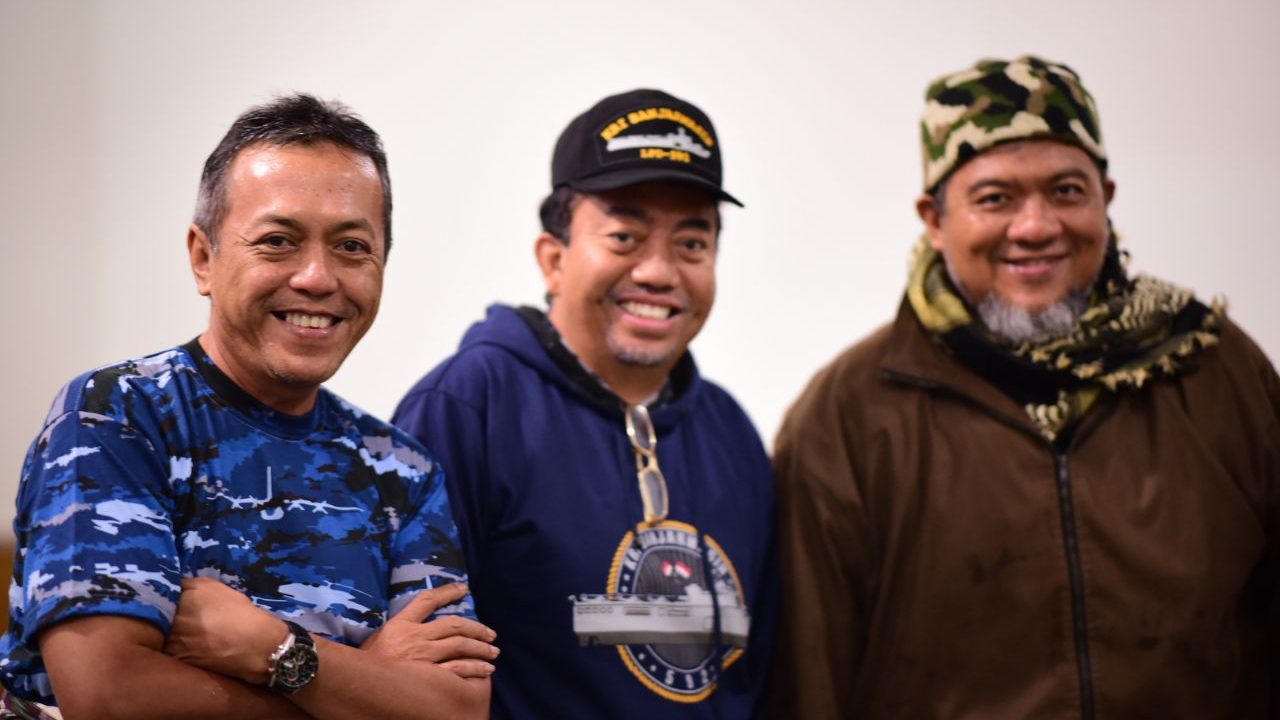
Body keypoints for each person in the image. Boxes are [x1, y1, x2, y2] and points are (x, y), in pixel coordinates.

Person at [769, 55, 1280, 718]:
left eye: (1066, 191)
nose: (1036, 226)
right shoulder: (847, 418)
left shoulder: (1214, 370)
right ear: (934, 218)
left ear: (1106, 199)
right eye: (995, 198)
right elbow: (809, 684)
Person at [0, 94, 495, 720]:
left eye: (351, 247)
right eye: (278, 241)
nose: (317, 277)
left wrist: (272, 648)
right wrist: (362, 682)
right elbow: (110, 694)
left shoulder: (402, 470)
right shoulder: (117, 416)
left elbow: (457, 709)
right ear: (203, 258)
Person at [393, 88, 778, 718]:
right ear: (554, 258)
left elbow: (758, 675)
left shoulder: (731, 432)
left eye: (692, 244)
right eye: (625, 236)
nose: (659, 272)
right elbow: (407, 675)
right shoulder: (468, 407)